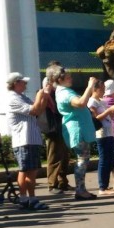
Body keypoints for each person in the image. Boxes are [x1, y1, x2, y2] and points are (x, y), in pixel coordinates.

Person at [51, 64, 98, 201]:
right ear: (59, 79)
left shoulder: (64, 91)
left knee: (83, 159)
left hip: (79, 128)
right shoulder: (65, 93)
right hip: (77, 129)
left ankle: (81, 189)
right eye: (68, 77)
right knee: (82, 160)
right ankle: (80, 190)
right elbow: (81, 103)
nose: (71, 78)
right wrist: (90, 86)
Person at [5, 72, 50, 209]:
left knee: (29, 171)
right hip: (24, 139)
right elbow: (34, 110)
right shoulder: (13, 99)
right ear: (15, 83)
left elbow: (39, 111)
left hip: (31, 138)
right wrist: (39, 96)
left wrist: (45, 97)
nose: (25, 84)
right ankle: (30, 199)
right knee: (27, 171)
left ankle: (26, 199)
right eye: (23, 82)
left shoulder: (22, 97)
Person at [41, 62, 72, 194]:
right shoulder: (47, 90)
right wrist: (46, 93)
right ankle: (52, 184)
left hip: (62, 125)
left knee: (64, 155)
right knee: (54, 155)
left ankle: (62, 181)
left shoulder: (60, 90)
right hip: (52, 127)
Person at [88, 80, 114, 195]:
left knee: (110, 159)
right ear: (95, 89)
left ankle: (107, 185)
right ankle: (102, 187)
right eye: (102, 88)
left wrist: (112, 111)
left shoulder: (101, 101)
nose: (103, 91)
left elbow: (109, 115)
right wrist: (109, 111)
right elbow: (96, 118)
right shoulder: (92, 102)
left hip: (109, 132)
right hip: (101, 133)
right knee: (104, 160)